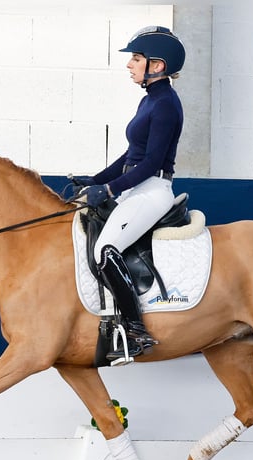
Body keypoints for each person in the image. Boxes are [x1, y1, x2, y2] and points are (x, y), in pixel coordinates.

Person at [75, 25, 185, 362]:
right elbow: (130, 157)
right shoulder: (149, 101)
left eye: (136, 58)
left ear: (157, 65)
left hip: (152, 190)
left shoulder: (165, 103)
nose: (130, 64)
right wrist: (93, 180)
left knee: (106, 250)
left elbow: (151, 163)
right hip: (136, 187)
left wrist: (107, 189)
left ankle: (135, 330)